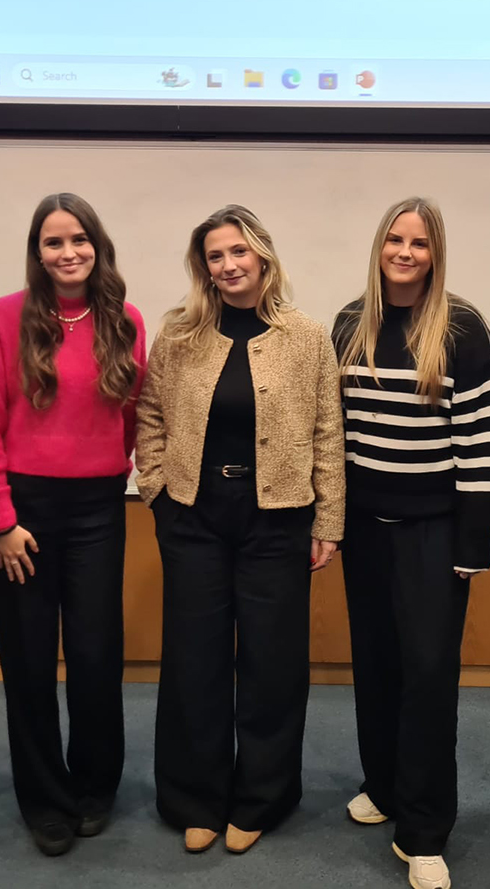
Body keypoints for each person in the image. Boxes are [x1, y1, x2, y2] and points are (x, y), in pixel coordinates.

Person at [135, 204, 344, 855]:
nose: (228, 265)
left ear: (262, 255)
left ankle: (260, 799)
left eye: (238, 252)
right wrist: (157, 491)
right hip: (193, 515)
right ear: (204, 267)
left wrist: (329, 519)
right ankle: (194, 799)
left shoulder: (306, 337)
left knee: (271, 664)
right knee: (193, 661)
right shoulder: (179, 335)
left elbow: (327, 431)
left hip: (277, 520)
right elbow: (150, 414)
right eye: (215, 256)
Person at [0, 193, 146, 857]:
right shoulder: (5, 318)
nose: (68, 252)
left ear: (98, 245)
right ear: (37, 253)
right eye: (53, 242)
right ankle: (44, 798)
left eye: (79, 239)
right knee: (30, 660)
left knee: (96, 656)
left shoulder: (124, 319)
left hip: (98, 508)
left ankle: (95, 786)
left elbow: (131, 415)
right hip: (23, 512)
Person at [332, 197, 490, 889]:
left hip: (434, 534)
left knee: (428, 679)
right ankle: (384, 785)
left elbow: (481, 444)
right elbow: (337, 435)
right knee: (376, 667)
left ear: (435, 255)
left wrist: (473, 545)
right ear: (379, 247)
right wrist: (331, 523)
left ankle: (425, 830)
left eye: (420, 243)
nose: (405, 252)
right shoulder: (350, 324)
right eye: (395, 240)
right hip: (365, 532)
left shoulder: (462, 328)